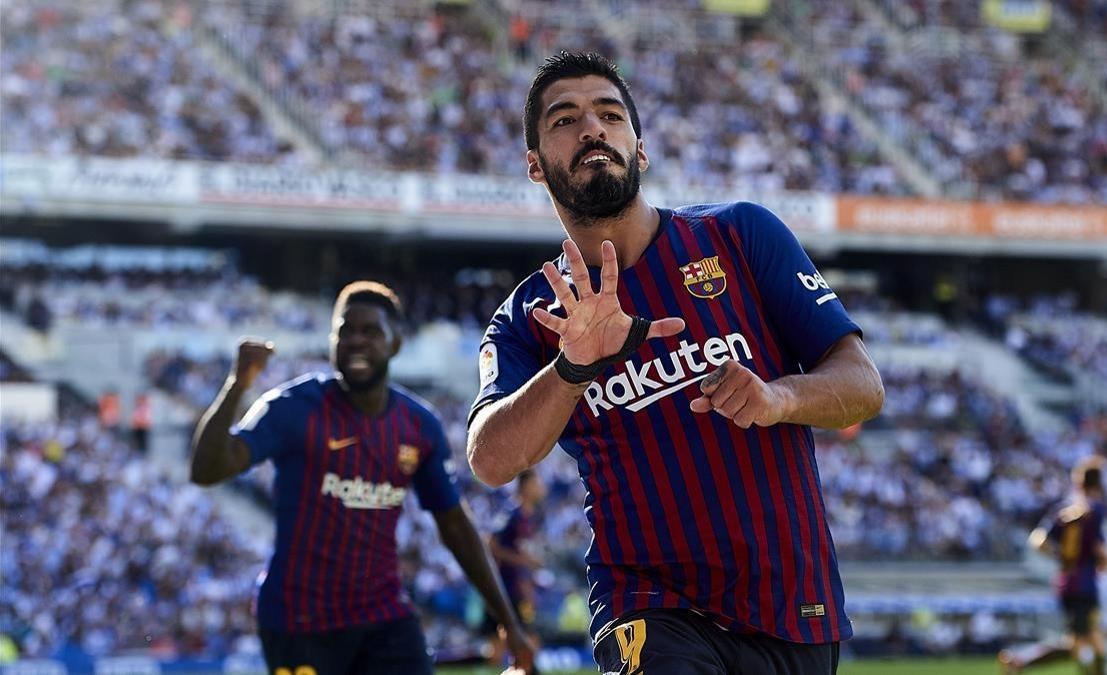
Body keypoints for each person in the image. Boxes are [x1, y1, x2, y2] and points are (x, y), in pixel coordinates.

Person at [466, 52, 885, 674]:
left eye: (610, 114)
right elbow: (489, 458)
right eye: (565, 119)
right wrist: (573, 367)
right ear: (534, 164)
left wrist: (779, 399)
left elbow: (863, 385)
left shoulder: (741, 235)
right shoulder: (529, 313)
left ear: (640, 149)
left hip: (790, 598)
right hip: (645, 599)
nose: (591, 129)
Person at [190, 280, 535, 675]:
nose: (356, 341)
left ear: (396, 344)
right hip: (299, 622)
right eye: (346, 331)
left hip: (383, 618)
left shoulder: (418, 426)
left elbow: (455, 524)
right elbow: (207, 470)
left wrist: (509, 623)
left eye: (370, 331)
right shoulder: (293, 408)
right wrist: (238, 385)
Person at [999, 458, 1107, 675]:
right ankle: (1019, 662)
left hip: (1066, 583)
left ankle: (1019, 662)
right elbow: (1101, 551)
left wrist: (1062, 556)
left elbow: (1037, 540)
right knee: (1088, 645)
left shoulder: (1064, 510)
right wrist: (1102, 561)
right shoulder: (1095, 510)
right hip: (1084, 585)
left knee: (1085, 644)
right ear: (1098, 484)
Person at [483, 470, 546, 667]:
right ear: (526, 486)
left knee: (516, 640)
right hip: (508, 588)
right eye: (536, 483)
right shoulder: (511, 513)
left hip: (521, 587)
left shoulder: (530, 517)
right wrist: (524, 562)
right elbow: (491, 545)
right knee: (525, 639)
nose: (540, 488)